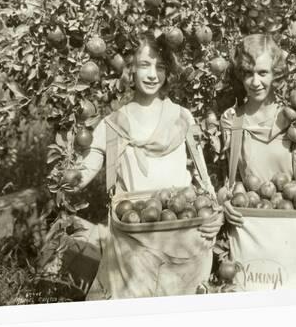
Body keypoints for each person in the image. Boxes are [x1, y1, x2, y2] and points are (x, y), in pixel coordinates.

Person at [72, 33, 223, 299]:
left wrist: (215, 216)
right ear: (130, 68)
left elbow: (203, 180)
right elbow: (79, 177)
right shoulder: (113, 124)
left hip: (184, 244)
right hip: (133, 251)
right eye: (145, 65)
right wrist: (66, 166)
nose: (153, 75)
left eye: (160, 67)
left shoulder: (182, 117)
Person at [220, 33, 296, 227]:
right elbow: (227, 185)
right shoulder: (232, 121)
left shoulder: (292, 120)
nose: (255, 82)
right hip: (250, 228)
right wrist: (225, 203)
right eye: (248, 73)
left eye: (263, 72)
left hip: (290, 226)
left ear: (276, 73)